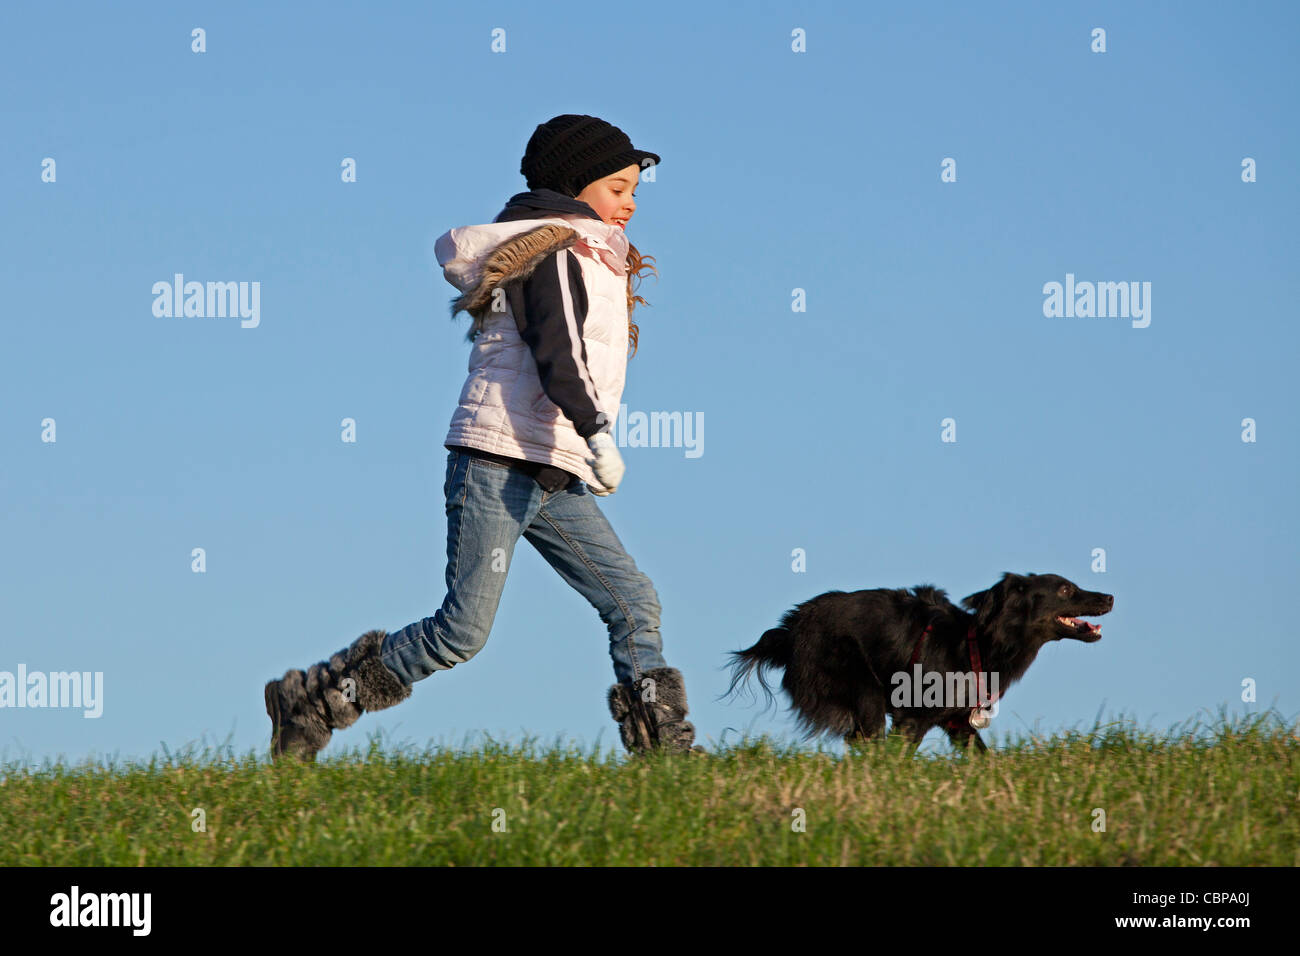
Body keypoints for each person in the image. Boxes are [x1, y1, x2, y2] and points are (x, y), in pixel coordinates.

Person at [264, 114, 703, 762]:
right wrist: (600, 435)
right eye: (617, 187)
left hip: (552, 471)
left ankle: (664, 752)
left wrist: (583, 447)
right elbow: (560, 354)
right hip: (497, 463)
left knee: (633, 598)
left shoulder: (588, 251)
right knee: (462, 631)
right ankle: (312, 702)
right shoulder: (551, 251)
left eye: (636, 188)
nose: (630, 201)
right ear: (575, 185)